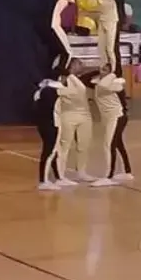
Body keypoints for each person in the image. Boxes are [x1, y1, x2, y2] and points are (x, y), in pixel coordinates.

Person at [43, 0, 112, 76]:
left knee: (54, 53)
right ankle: (57, 77)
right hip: (53, 27)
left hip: (51, 27)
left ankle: (51, 76)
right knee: (67, 53)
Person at [42, 58, 94, 187]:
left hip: (85, 115)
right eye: (79, 64)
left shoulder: (79, 79)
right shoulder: (63, 79)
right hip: (68, 115)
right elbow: (60, 91)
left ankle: (81, 171)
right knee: (64, 146)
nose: (82, 66)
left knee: (83, 145)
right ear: (72, 65)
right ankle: (60, 175)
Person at [89, 64, 132, 186]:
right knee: (118, 143)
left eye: (105, 70)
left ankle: (108, 176)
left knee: (108, 145)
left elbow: (106, 85)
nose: (101, 71)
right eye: (101, 69)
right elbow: (89, 80)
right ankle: (127, 172)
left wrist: (113, 75)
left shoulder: (112, 84)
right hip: (109, 118)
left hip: (117, 117)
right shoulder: (100, 82)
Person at [93, 0, 127, 73]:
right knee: (103, 48)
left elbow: (119, 0)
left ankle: (116, 72)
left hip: (113, 20)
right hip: (104, 20)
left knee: (111, 48)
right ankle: (106, 71)